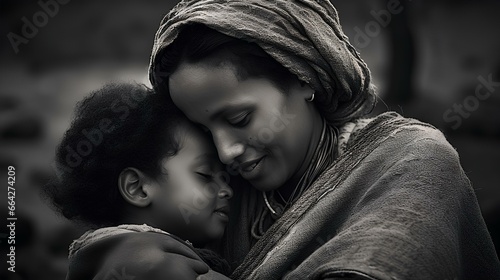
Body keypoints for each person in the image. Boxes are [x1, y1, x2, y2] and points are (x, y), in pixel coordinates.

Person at [80, 1, 500, 279]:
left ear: (304, 79)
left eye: (240, 118)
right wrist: (117, 250)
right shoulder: (224, 197)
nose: (226, 152)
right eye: (205, 132)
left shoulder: (411, 165)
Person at [43, 83, 234, 279]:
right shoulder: (161, 267)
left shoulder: (99, 259)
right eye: (205, 174)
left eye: (225, 176)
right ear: (137, 188)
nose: (227, 190)